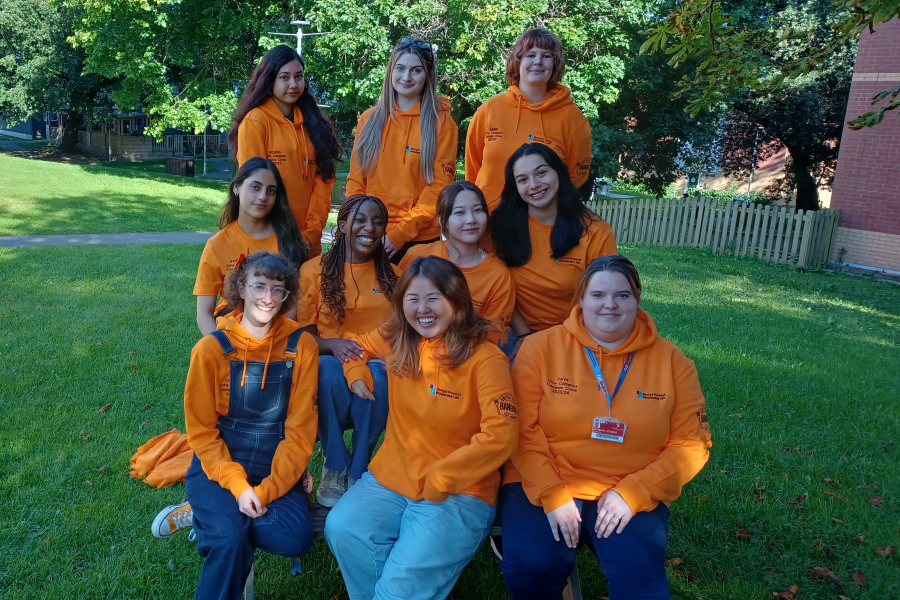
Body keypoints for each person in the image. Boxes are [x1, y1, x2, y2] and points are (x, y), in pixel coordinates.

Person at [499, 255, 712, 600]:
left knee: (642, 587)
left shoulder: (674, 363)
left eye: (622, 295)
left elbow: (692, 445)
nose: (609, 305)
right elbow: (520, 429)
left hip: (626, 486)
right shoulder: (539, 349)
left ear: (637, 299)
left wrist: (634, 493)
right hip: (545, 478)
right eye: (598, 295)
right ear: (580, 300)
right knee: (530, 568)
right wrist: (552, 493)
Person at [324, 256, 519, 600]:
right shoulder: (398, 337)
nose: (423, 309)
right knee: (342, 528)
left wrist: (442, 476)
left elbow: (501, 436)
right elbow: (354, 348)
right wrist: (356, 375)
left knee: (397, 591)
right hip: (391, 476)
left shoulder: (487, 359)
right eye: (413, 299)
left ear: (457, 301)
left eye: (434, 298)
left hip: (460, 491)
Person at [182, 251, 320, 600]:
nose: (268, 299)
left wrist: (265, 491)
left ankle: (212, 519)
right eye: (259, 286)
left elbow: (301, 433)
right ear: (241, 288)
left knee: (295, 538)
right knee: (230, 541)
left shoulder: (301, 346)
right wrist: (238, 488)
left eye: (279, 290)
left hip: (274, 466)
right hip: (219, 466)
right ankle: (219, 522)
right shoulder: (210, 349)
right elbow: (202, 433)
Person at [296, 194, 401, 507]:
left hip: (378, 361)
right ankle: (335, 465)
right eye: (360, 219)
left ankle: (360, 466)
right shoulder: (314, 271)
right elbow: (301, 333)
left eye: (378, 221)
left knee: (379, 379)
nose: (370, 227)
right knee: (325, 370)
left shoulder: (394, 276)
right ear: (342, 225)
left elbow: (399, 333)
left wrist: (361, 357)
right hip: (329, 359)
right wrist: (330, 344)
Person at [347, 37, 459, 264]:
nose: (406, 77)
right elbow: (356, 180)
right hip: (369, 231)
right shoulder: (369, 119)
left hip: (418, 238)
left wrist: (398, 235)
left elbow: (437, 188)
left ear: (427, 75)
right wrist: (356, 224)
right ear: (390, 71)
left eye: (416, 70)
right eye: (400, 68)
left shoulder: (443, 124)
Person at [492, 143, 616, 345]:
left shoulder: (595, 232)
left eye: (541, 173)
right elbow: (496, 288)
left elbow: (604, 297)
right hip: (516, 331)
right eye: (522, 180)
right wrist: (525, 337)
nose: (534, 184)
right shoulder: (500, 226)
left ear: (559, 173)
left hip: (578, 333)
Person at [229, 44, 342, 256]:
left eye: (299, 76)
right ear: (269, 80)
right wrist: (277, 236)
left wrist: (312, 232)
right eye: (284, 77)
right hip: (270, 241)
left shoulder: (314, 122)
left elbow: (324, 180)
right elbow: (254, 189)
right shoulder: (256, 120)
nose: (293, 84)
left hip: (308, 240)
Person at [465, 28, 592, 211]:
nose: (538, 62)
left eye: (546, 56)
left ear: (555, 64)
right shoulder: (489, 110)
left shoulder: (573, 118)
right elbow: (472, 168)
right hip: (490, 219)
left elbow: (575, 176)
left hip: (540, 221)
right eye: (530, 55)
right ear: (518, 61)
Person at [193, 157, 308, 336]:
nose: (263, 196)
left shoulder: (290, 240)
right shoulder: (217, 245)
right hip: (231, 333)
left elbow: (293, 305)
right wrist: (221, 348)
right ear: (237, 187)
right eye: (255, 187)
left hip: (279, 334)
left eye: (271, 191)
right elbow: (204, 314)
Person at [400, 181, 515, 342]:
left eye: (478, 210)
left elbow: (492, 336)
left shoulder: (499, 275)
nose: (471, 219)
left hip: (467, 356)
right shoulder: (417, 256)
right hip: (412, 348)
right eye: (460, 212)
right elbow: (396, 311)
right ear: (441, 219)